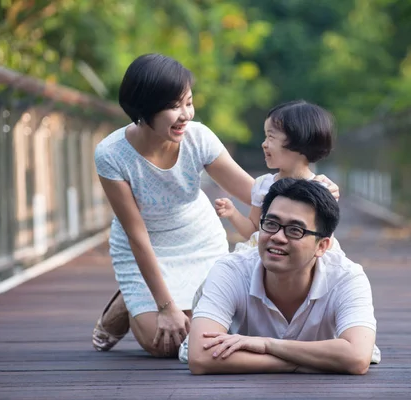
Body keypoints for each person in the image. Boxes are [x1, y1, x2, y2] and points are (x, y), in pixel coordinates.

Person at [91, 53, 339, 358]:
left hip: (197, 239)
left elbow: (256, 194)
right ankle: (131, 298)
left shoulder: (198, 138)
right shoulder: (111, 154)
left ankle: (152, 296)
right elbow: (136, 234)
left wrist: (313, 190)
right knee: (161, 344)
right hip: (144, 244)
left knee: (205, 332)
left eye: (188, 102)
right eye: (173, 107)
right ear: (144, 108)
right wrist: (166, 307)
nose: (186, 115)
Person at [188, 178, 377, 374]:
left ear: (322, 246)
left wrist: (267, 345)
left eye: (295, 230)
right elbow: (200, 356)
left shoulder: (347, 278)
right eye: (270, 224)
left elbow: (356, 357)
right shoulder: (231, 270)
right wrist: (297, 363)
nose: (277, 237)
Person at [214, 100, 343, 255]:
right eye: (265, 136)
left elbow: (323, 238)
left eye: (271, 137)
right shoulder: (263, 184)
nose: (264, 144)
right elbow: (254, 232)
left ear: (299, 140)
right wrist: (232, 213)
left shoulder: (321, 189)